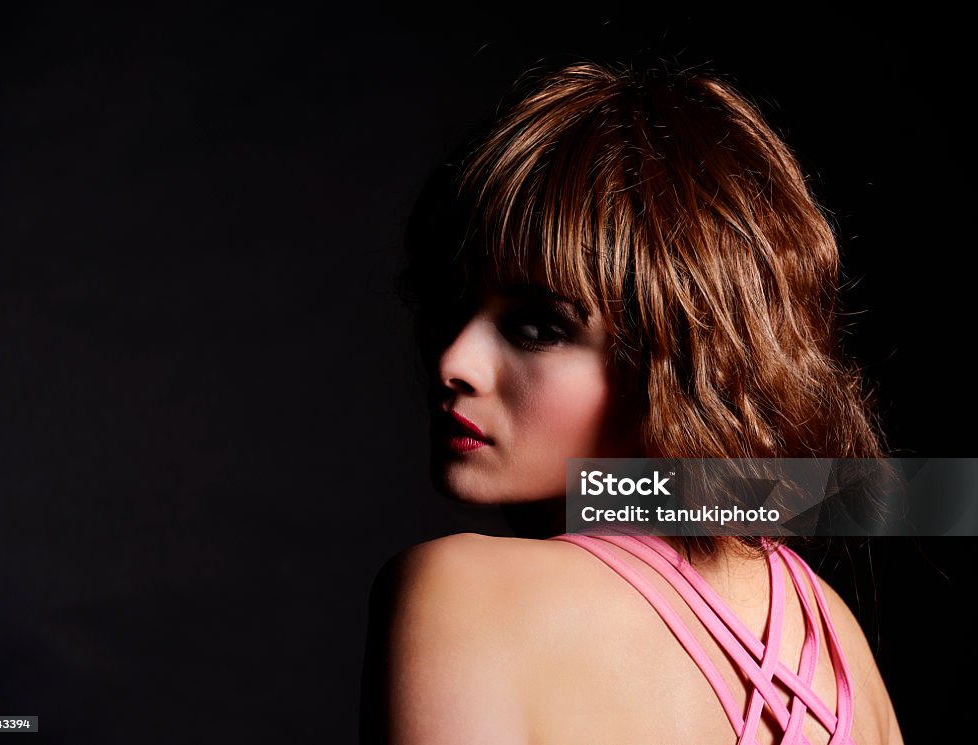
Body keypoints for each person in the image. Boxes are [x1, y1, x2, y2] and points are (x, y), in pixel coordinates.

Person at [360, 61, 904, 745]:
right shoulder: (832, 639)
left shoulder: (458, 594)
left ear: (676, 358)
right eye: (453, 304)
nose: (453, 363)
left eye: (537, 327)